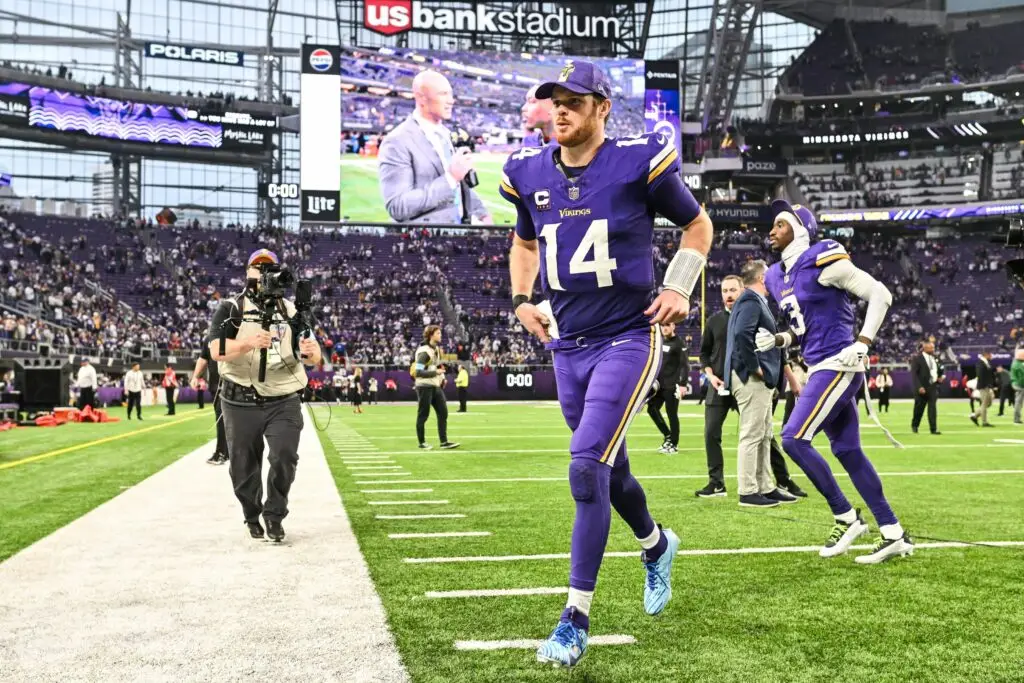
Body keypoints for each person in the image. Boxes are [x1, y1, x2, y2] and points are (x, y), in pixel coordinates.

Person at [500, 60, 713, 667]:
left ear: (601, 107)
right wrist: (521, 300)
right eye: (553, 100)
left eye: (574, 100)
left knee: (584, 466)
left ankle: (574, 619)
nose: (560, 109)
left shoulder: (638, 158)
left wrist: (678, 284)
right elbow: (523, 241)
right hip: (568, 343)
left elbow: (697, 225)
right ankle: (655, 545)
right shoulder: (528, 171)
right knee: (608, 469)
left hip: (628, 336)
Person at [758, 200, 913, 564]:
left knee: (793, 438)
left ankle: (846, 516)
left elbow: (881, 294)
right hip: (819, 363)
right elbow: (803, 329)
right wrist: (779, 340)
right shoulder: (776, 276)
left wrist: (863, 343)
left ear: (799, 228)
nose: (772, 230)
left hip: (838, 363)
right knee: (847, 451)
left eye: (780, 224)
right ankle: (893, 532)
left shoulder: (822, 257)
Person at [207, 249, 322, 543]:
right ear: (248, 273)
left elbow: (313, 353)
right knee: (243, 467)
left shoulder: (291, 310)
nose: (265, 273)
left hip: (283, 396)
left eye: (270, 267)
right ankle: (251, 512)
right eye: (259, 267)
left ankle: (274, 514)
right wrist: (246, 343)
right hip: (239, 398)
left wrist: (311, 354)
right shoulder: (231, 308)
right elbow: (215, 351)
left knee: (285, 456)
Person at [725, 260, 797, 508]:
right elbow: (742, 335)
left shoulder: (752, 301)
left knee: (764, 434)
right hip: (750, 378)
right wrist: (755, 367)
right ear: (762, 278)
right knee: (752, 434)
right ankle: (748, 491)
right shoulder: (750, 301)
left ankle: (765, 486)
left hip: (756, 378)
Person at [377, 70, 491, 224]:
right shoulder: (397, 141)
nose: (451, 100)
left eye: (451, 94)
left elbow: (459, 187)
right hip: (426, 240)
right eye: (443, 94)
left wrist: (482, 213)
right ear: (421, 98)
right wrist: (450, 178)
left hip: (461, 235)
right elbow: (398, 206)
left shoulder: (447, 135)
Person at [696, 276, 741, 497]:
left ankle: (782, 480)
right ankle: (717, 483)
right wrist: (710, 376)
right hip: (719, 384)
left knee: (762, 434)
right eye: (724, 290)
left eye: (733, 289)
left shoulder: (751, 318)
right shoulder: (714, 321)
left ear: (742, 291)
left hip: (746, 384)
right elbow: (704, 353)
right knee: (711, 433)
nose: (728, 294)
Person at [414, 325, 459, 449]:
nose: (441, 335)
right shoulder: (424, 351)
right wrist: (436, 373)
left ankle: (444, 441)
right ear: (431, 335)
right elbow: (418, 372)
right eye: (438, 333)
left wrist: (442, 378)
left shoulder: (436, 349)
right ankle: (422, 442)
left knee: (443, 412)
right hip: (424, 386)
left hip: (435, 385)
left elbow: (438, 366)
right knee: (423, 414)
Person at [647, 321, 689, 453]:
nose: (665, 328)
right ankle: (668, 436)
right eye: (663, 326)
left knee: (672, 414)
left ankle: (674, 444)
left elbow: (685, 365)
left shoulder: (679, 343)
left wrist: (683, 384)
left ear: (673, 326)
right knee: (652, 409)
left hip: (672, 385)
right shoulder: (659, 342)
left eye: (667, 325)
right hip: (660, 386)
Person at [192, 347, 228, 465]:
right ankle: (226, 452)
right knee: (221, 420)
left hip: (229, 384)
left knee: (223, 420)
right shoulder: (209, 338)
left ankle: (221, 452)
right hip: (215, 386)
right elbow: (202, 359)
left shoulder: (231, 333)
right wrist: (195, 376)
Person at [910, 340, 943, 434]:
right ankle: (915, 425)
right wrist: (919, 387)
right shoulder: (917, 358)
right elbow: (914, 375)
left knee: (932, 408)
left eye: (933, 347)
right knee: (919, 408)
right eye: (931, 348)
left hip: (932, 386)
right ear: (924, 348)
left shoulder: (935, 358)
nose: (933, 349)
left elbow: (939, 369)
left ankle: (933, 429)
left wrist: (940, 377)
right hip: (922, 387)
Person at [970, 351, 995, 427]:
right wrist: (985, 385)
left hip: (987, 386)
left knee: (988, 403)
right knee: (984, 403)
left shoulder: (986, 362)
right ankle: (984, 422)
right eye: (990, 354)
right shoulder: (980, 363)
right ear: (986, 355)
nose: (991, 356)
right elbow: (980, 375)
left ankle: (975, 416)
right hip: (983, 386)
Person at [1011, 348, 1024, 424]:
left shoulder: (1016, 363)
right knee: (1018, 403)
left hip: (1017, 384)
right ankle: (1016, 419)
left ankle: (1017, 419)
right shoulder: (1019, 364)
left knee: (1019, 403)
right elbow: (1022, 377)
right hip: (1020, 385)